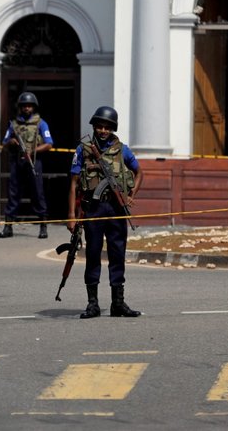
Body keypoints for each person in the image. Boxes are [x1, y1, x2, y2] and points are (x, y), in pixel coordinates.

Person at [67, 105, 144, 319]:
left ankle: (117, 303)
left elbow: (139, 173)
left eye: (107, 128)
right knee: (92, 254)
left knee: (117, 254)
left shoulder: (123, 150)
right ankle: (93, 304)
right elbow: (73, 183)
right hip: (93, 208)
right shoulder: (84, 148)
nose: (103, 131)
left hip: (116, 208)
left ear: (112, 129)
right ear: (94, 127)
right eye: (99, 127)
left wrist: (131, 196)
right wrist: (71, 215)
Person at [0, 91, 53, 239]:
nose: (27, 108)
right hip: (17, 162)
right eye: (24, 106)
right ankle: (8, 226)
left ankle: (43, 226)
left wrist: (33, 150)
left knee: (37, 193)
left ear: (34, 107)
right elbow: (4, 142)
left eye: (29, 106)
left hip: (34, 162)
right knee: (13, 193)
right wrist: (11, 142)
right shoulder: (14, 124)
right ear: (20, 107)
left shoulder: (41, 123)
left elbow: (49, 144)